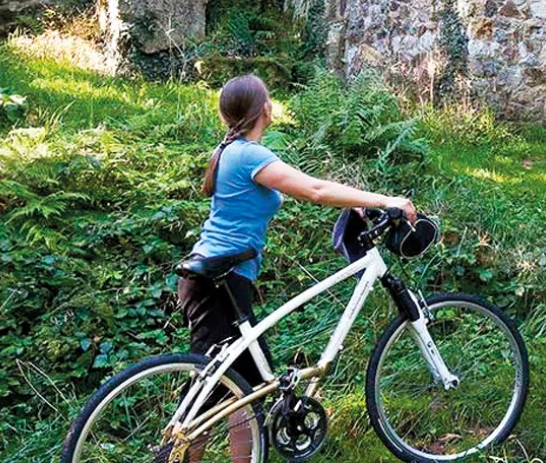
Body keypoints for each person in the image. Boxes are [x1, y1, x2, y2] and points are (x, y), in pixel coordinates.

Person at [177, 74, 417, 384]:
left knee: (247, 391)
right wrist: (385, 200)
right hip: (218, 282)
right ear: (266, 108)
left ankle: (252, 434)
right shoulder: (248, 155)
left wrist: (356, 202)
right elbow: (314, 190)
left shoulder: (231, 151)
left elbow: (311, 189)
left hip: (221, 278)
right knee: (215, 391)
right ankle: (183, 435)